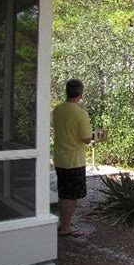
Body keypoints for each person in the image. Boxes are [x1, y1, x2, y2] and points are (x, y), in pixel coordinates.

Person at [52, 79, 92, 237]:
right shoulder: (80, 113)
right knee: (71, 195)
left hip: (60, 157)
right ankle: (66, 227)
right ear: (81, 94)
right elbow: (87, 138)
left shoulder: (57, 109)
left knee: (63, 192)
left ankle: (64, 223)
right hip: (74, 160)